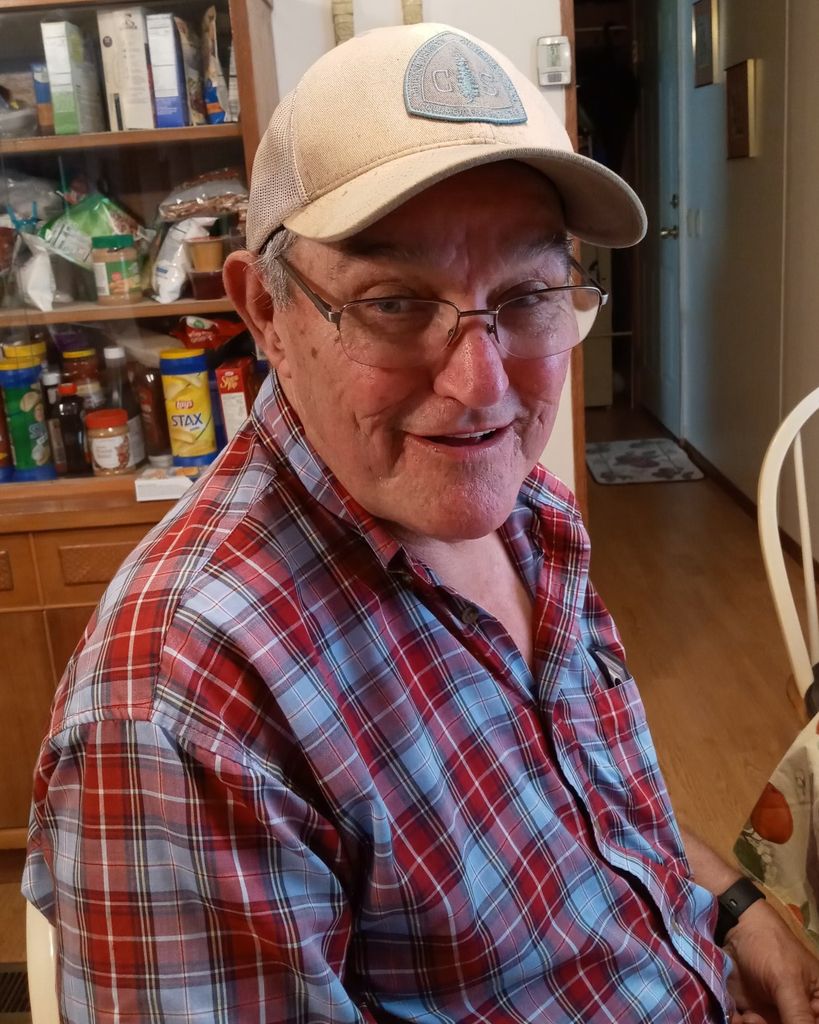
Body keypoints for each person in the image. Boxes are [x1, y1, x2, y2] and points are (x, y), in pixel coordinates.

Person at [22, 21, 819, 1024]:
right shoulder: (186, 704)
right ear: (264, 311)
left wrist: (738, 912)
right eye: (395, 302)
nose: (481, 386)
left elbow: (588, 809)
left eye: (527, 293)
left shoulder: (527, 514)